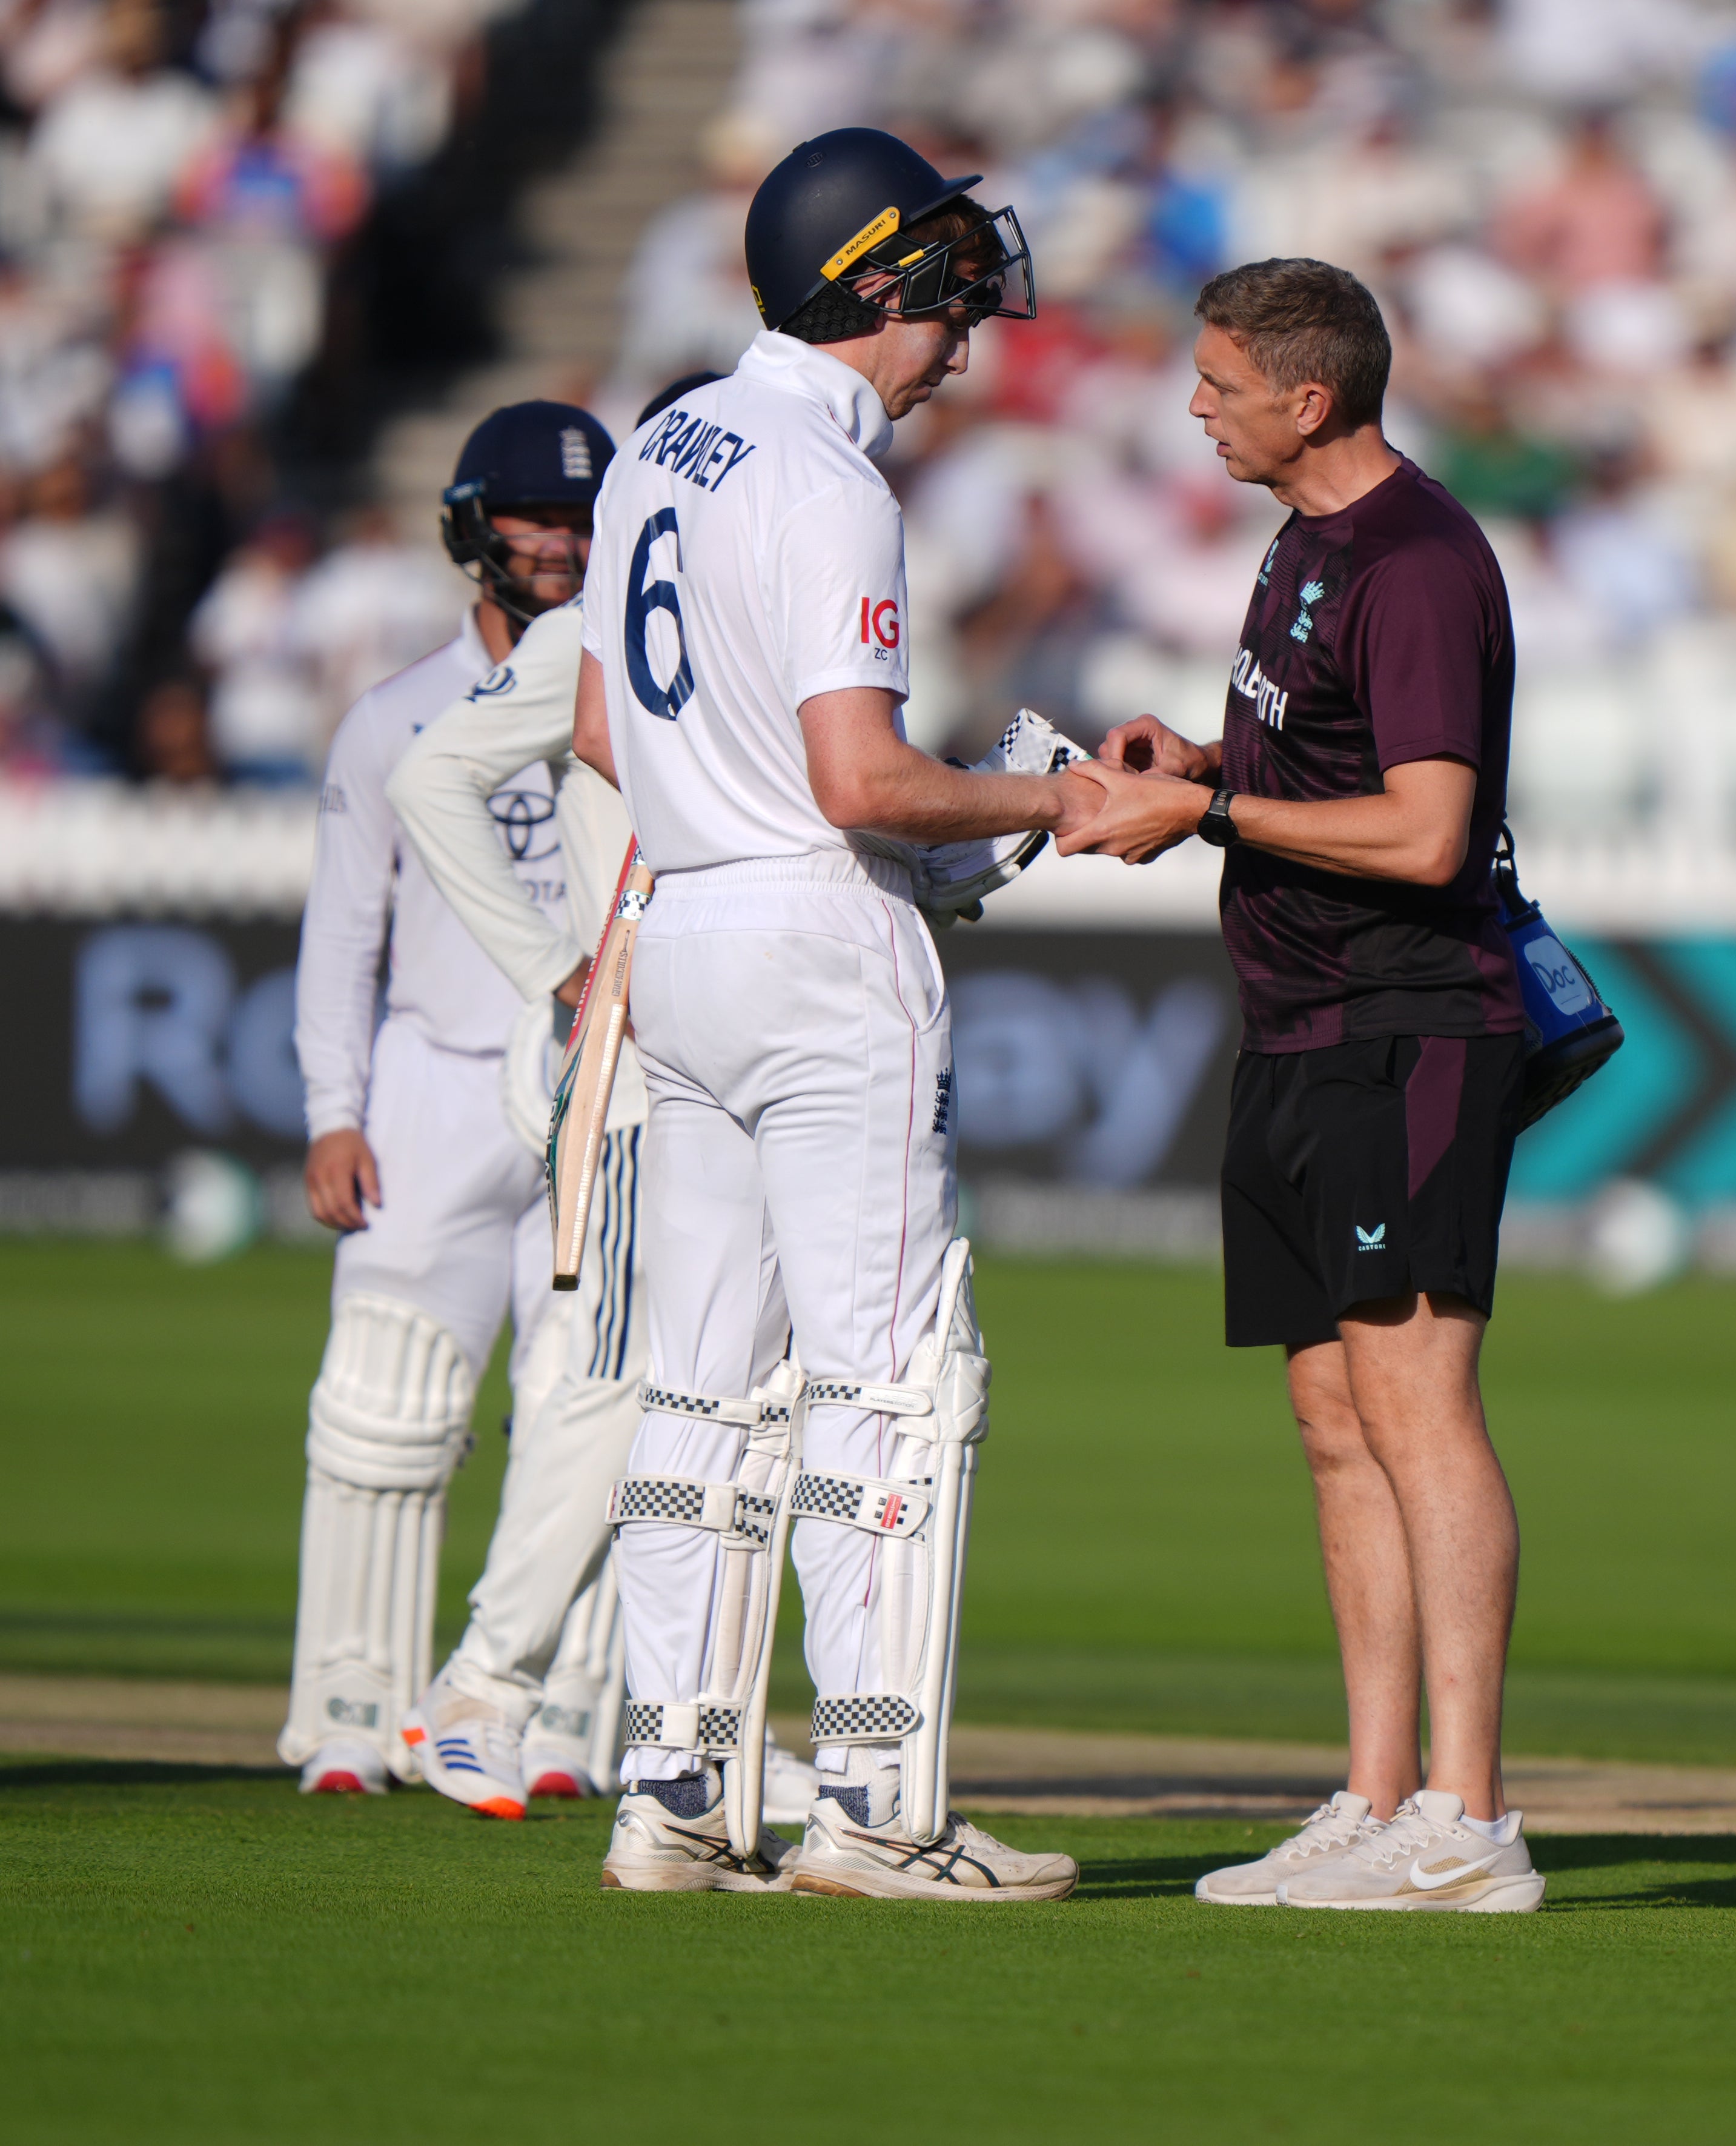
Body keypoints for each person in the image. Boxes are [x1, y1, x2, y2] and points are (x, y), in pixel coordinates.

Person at [571, 128, 1092, 1897]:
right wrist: (1048, 800)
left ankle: (674, 1788)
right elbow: (865, 779)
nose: (968, 308)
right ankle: (878, 1806)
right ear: (873, 282)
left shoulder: (657, 440)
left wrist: (748, 812)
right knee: (893, 1379)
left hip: (688, 923)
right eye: (945, 272)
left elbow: (596, 729)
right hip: (810, 942)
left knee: (699, 1387)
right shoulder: (826, 472)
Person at [1061, 257, 1545, 1913]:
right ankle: (1373, 1794)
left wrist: (1208, 818)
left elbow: (1424, 830)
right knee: (1334, 1420)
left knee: (1418, 1407)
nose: (1195, 403)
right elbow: (1309, 759)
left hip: (1402, 1026)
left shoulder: (1415, 560)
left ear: (1308, 399)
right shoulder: (1304, 540)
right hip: (1295, 1025)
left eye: (1218, 381)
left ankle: (1468, 1823)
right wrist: (1199, 766)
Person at [384, 371, 824, 1824]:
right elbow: (430, 777)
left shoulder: (787, 616)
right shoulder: (598, 628)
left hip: (745, 1041)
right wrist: (552, 967)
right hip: (633, 1062)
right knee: (613, 1383)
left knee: (745, 1397)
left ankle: (694, 1725)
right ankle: (482, 1691)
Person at [280, 402, 623, 1800]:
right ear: (476, 527)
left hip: (591, 1073)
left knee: (587, 1396)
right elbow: (339, 930)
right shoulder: (393, 719)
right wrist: (330, 1108)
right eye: (535, 516)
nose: (558, 542)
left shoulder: (633, 689)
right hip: (430, 1075)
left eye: (581, 521)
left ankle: (562, 1714)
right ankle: (351, 1706)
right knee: (385, 1402)